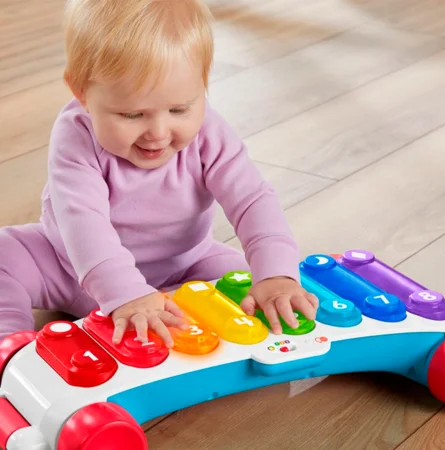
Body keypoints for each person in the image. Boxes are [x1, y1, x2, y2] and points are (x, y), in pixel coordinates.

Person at [0, 0, 318, 348]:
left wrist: (275, 274)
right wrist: (125, 291)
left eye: (180, 109)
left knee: (241, 277)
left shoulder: (210, 133)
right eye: (132, 115)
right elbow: (82, 222)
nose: (159, 132)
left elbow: (252, 200)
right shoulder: (76, 135)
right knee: (6, 254)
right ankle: (12, 346)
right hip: (68, 270)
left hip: (183, 270)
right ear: (81, 93)